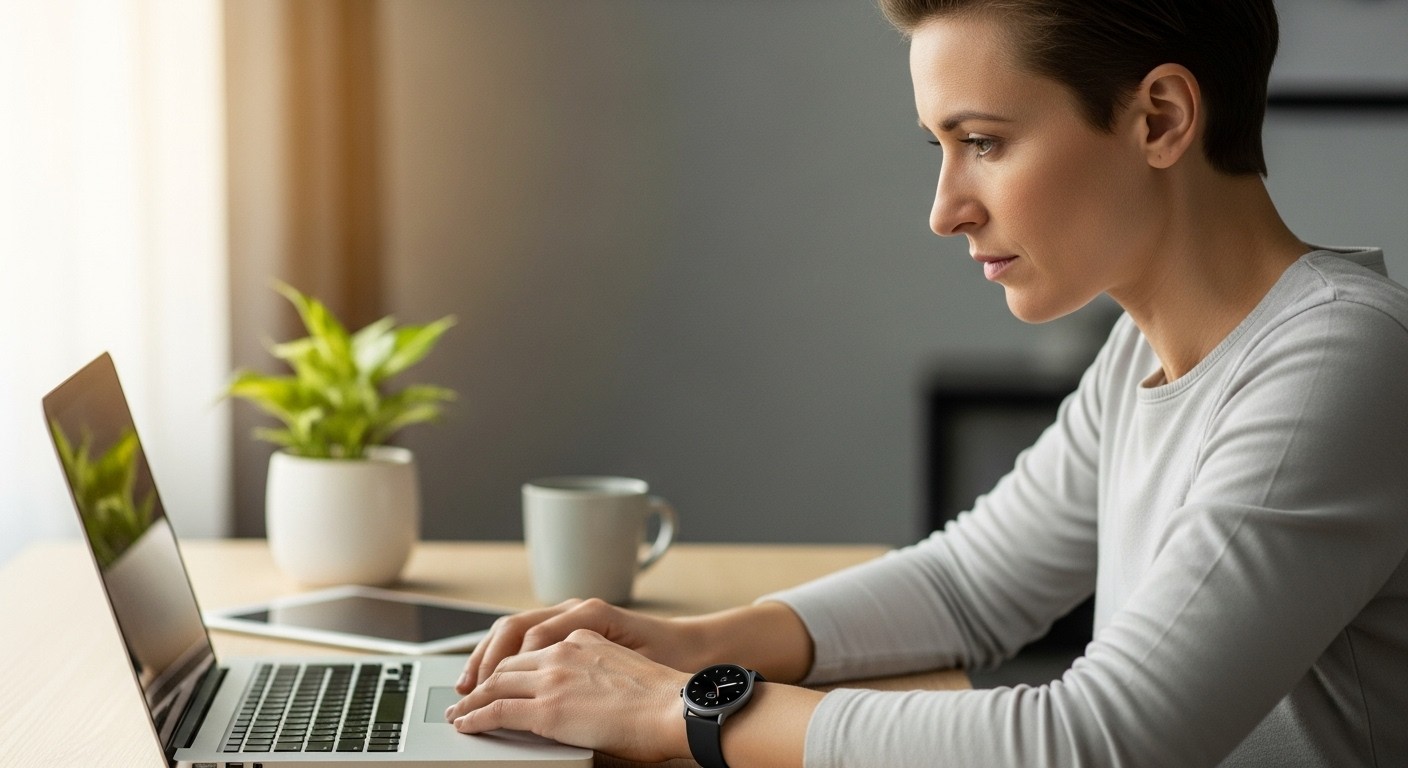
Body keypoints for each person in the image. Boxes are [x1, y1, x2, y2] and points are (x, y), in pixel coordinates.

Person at [443, 1, 1408, 765]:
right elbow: (969, 586)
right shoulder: (1142, 352)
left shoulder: (1340, 360)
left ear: (1159, 118)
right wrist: (692, 645)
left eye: (983, 142)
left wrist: (680, 709)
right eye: (939, 146)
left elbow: (1102, 740)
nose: (945, 209)